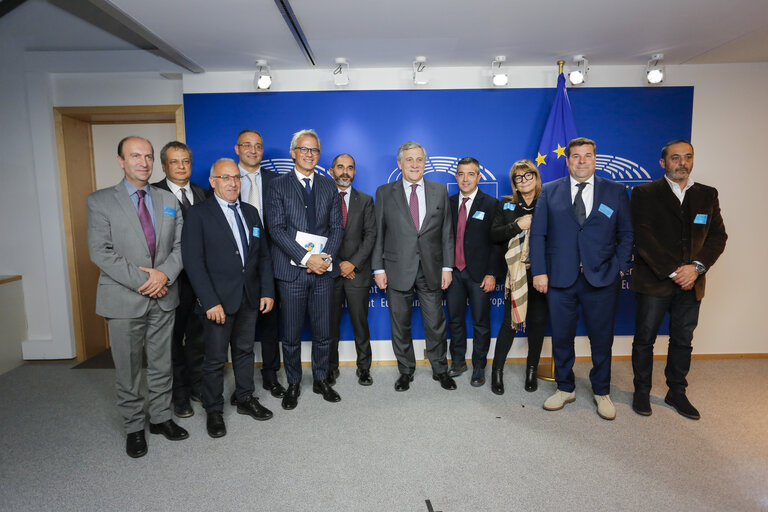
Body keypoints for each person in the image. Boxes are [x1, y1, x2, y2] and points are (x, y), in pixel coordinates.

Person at [87, 136, 188, 458]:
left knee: (161, 363)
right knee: (128, 368)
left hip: (165, 294)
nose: (143, 163)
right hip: (123, 299)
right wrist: (147, 281)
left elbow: (181, 246)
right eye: (135, 156)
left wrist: (165, 276)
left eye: (147, 157)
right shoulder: (100, 201)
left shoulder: (167, 199)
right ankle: (133, 426)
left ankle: (160, 418)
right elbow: (100, 252)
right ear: (121, 161)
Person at [530, 137, 633, 420]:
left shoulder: (615, 192)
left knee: (602, 339)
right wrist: (539, 271)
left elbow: (626, 234)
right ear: (568, 160)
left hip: (601, 278)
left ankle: (602, 391)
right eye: (576, 156)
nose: (581, 161)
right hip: (560, 279)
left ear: (594, 159)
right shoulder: (549, 192)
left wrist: (620, 267)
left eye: (587, 155)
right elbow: (538, 234)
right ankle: (565, 388)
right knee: (562, 338)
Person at [630, 139, 727, 419]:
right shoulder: (644, 193)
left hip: (692, 283)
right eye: (675, 158)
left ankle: (677, 392)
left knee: (683, 340)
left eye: (687, 157)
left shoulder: (708, 195)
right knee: (644, 339)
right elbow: (643, 238)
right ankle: (641, 391)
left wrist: (695, 268)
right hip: (654, 281)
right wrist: (675, 270)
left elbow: (718, 237)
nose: (681, 163)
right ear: (663, 163)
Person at [182, 158, 275, 438]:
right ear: (213, 182)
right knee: (214, 359)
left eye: (236, 178)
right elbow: (193, 263)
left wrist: (267, 290)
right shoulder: (198, 214)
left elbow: (263, 256)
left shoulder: (250, 212)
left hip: (249, 297)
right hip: (217, 303)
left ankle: (245, 398)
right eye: (225, 178)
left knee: (245, 351)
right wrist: (209, 301)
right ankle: (213, 410)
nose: (233, 183)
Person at [266, 129, 343, 410]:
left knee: (324, 332)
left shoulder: (328, 185)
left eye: (314, 150)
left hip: (323, 271)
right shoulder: (277, 185)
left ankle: (322, 379)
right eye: (304, 149)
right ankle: (294, 382)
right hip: (292, 273)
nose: (309, 154)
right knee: (291, 334)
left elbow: (337, 228)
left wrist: (323, 258)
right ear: (293, 153)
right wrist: (305, 258)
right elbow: (276, 229)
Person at [372, 141, 457, 392]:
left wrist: (447, 268)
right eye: (409, 160)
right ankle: (405, 371)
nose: (415, 164)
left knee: (435, 324)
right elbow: (379, 233)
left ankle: (440, 369)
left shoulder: (439, 190)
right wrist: (378, 269)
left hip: (431, 269)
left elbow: (446, 233)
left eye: (419, 159)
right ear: (399, 164)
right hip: (397, 269)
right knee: (400, 324)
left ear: (424, 163)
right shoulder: (384, 192)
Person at [151, 141, 208, 418]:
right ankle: (180, 393)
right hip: (170, 281)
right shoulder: (152, 195)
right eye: (175, 162)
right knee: (173, 340)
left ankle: (197, 385)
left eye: (185, 160)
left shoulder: (202, 193)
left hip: (200, 281)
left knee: (199, 337)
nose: (182, 166)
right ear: (164, 166)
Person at [489, 160, 549, 394]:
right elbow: (494, 235)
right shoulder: (506, 205)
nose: (524, 181)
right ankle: (497, 372)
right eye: (518, 178)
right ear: (514, 183)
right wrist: (517, 225)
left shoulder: (547, 202)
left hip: (541, 272)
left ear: (536, 177)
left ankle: (531, 370)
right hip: (515, 275)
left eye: (528, 176)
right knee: (509, 323)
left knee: (537, 322)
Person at [234, 129, 286, 399]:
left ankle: (270, 375)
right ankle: (241, 384)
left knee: (270, 323)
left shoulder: (276, 181)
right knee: (237, 324)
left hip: (272, 259)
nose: (253, 151)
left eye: (258, 146)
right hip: (237, 264)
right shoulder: (226, 178)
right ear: (237, 148)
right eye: (247, 145)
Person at [444, 157, 503, 387]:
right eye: (461, 174)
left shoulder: (491, 204)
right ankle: (458, 361)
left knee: (481, 322)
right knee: (455, 320)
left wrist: (492, 273)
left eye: (471, 174)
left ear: (479, 177)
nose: (465, 178)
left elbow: (497, 243)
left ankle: (479, 366)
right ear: (456, 177)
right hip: (454, 273)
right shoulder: (447, 203)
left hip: (480, 274)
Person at [328, 154, 377, 386]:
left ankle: (364, 368)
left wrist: (352, 264)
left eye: (350, 168)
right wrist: (338, 264)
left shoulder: (366, 200)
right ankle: (330, 368)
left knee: (361, 324)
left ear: (354, 172)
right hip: (330, 272)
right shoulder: (323, 198)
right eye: (340, 167)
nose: (345, 172)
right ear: (331, 171)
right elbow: (319, 235)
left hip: (357, 272)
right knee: (330, 325)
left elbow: (370, 236)